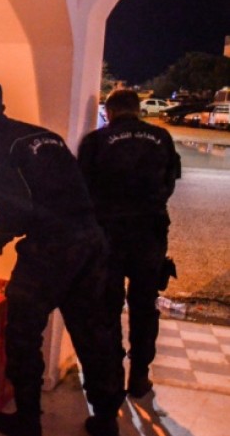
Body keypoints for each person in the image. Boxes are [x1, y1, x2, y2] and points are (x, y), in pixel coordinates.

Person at [0, 82, 124, 436]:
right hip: (90, 241)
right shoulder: (43, 136)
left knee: (22, 332)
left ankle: (28, 419)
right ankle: (106, 417)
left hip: (51, 250)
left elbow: (15, 206)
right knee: (92, 331)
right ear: (1, 106)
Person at [77, 89, 181, 399]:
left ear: (108, 112)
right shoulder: (161, 137)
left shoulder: (95, 141)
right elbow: (170, 183)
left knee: (108, 306)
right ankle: (139, 376)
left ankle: (111, 376)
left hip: (108, 236)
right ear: (138, 110)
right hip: (149, 235)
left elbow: (82, 188)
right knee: (144, 305)